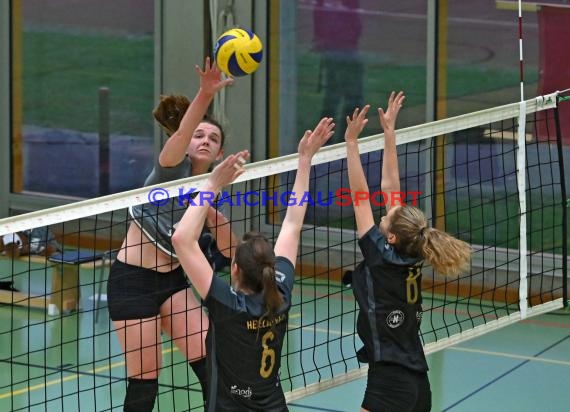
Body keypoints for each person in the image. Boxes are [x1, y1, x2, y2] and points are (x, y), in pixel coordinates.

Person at [172, 117, 335, 411]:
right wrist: (305, 159)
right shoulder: (279, 293)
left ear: (235, 269)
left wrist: (212, 183)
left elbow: (181, 239)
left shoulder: (229, 305)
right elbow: (293, 224)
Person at [106, 57, 236, 412]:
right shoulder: (170, 168)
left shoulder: (212, 187)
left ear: (220, 151)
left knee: (215, 364)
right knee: (145, 382)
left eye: (213, 138)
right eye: (199, 135)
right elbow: (180, 133)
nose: (205, 140)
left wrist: (209, 201)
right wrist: (205, 94)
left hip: (173, 283)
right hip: (132, 282)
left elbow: (230, 253)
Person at [343, 92, 471, 412]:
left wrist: (351, 143)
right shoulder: (411, 250)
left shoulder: (382, 256)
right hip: (416, 379)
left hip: (390, 381)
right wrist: (389, 133)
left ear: (392, 238)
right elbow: (391, 186)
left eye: (385, 218)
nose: (383, 214)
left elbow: (361, 196)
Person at [313, 0, 363, 143]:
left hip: (344, 50)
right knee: (344, 99)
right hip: (338, 51)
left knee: (340, 100)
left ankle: (337, 140)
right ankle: (332, 140)